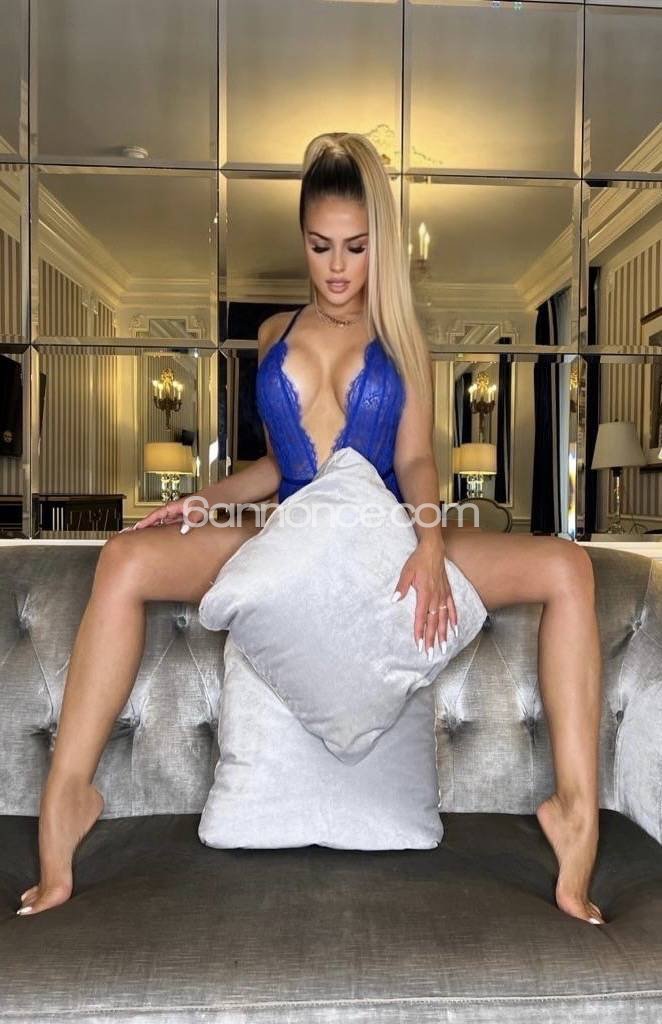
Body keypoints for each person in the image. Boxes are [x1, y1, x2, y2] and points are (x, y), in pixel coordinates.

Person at [17, 131, 605, 927]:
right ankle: (68, 796)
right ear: (302, 238)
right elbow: (277, 461)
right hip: (293, 528)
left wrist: (431, 543)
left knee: (569, 569)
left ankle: (575, 812)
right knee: (123, 558)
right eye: (320, 245)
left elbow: (416, 461)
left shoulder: (402, 340)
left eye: (356, 248)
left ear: (380, 246)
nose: (336, 266)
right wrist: (207, 500)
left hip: (383, 533)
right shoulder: (272, 335)